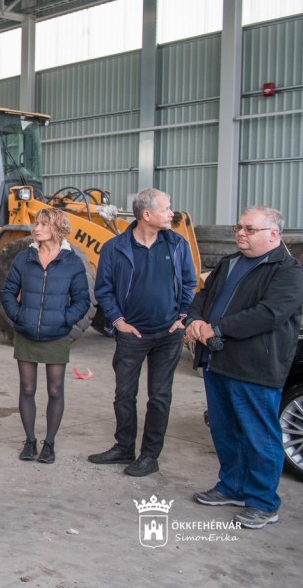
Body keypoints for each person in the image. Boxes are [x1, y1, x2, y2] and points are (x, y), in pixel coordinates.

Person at [185, 207, 303, 529]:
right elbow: (204, 295)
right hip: (217, 360)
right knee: (224, 430)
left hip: (255, 367)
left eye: (250, 229)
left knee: (258, 436)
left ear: (273, 235)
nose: (240, 233)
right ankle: (232, 488)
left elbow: (268, 314)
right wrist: (194, 319)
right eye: (239, 227)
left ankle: (263, 503)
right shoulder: (229, 263)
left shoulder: (288, 272)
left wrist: (216, 328)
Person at [89, 188, 196, 476]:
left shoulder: (177, 244)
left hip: (168, 334)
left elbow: (189, 283)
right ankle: (124, 448)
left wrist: (183, 316)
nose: (172, 213)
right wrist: (118, 322)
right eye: (166, 208)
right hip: (131, 335)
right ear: (147, 214)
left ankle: (149, 456)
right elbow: (104, 289)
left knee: (159, 396)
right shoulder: (115, 248)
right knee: (124, 395)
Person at [0, 208, 90, 464]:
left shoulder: (72, 262)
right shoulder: (24, 258)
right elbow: (7, 292)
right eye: (36, 223)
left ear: (57, 228)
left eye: (43, 224)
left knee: (55, 390)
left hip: (56, 335)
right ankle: (30, 441)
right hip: (27, 332)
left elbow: (82, 300)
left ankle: (49, 443)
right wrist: (19, 316)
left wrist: (64, 319)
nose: (36, 228)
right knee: (27, 388)